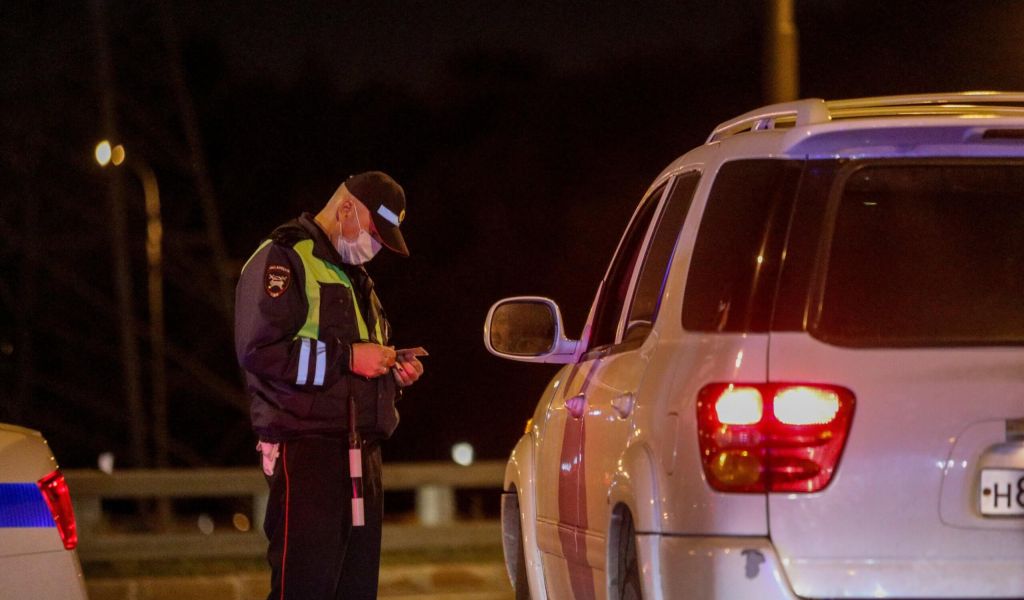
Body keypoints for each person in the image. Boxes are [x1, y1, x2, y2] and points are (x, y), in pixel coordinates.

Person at [234, 171, 424, 600]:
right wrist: (350, 358)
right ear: (345, 209)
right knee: (305, 589)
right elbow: (260, 351)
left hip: (361, 453)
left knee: (355, 591)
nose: (374, 247)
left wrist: (393, 372)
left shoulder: (356, 276)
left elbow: (356, 361)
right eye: (375, 234)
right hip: (307, 451)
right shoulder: (283, 258)